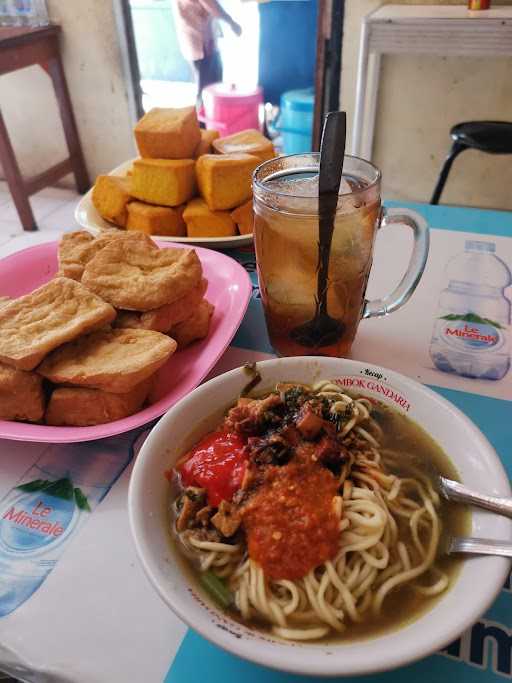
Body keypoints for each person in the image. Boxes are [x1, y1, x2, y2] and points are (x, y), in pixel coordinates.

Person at [174, 0, 242, 106]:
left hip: (194, 42)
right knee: (209, 90)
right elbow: (212, 6)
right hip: (202, 44)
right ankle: (205, 121)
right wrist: (232, 23)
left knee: (206, 87)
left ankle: (206, 119)